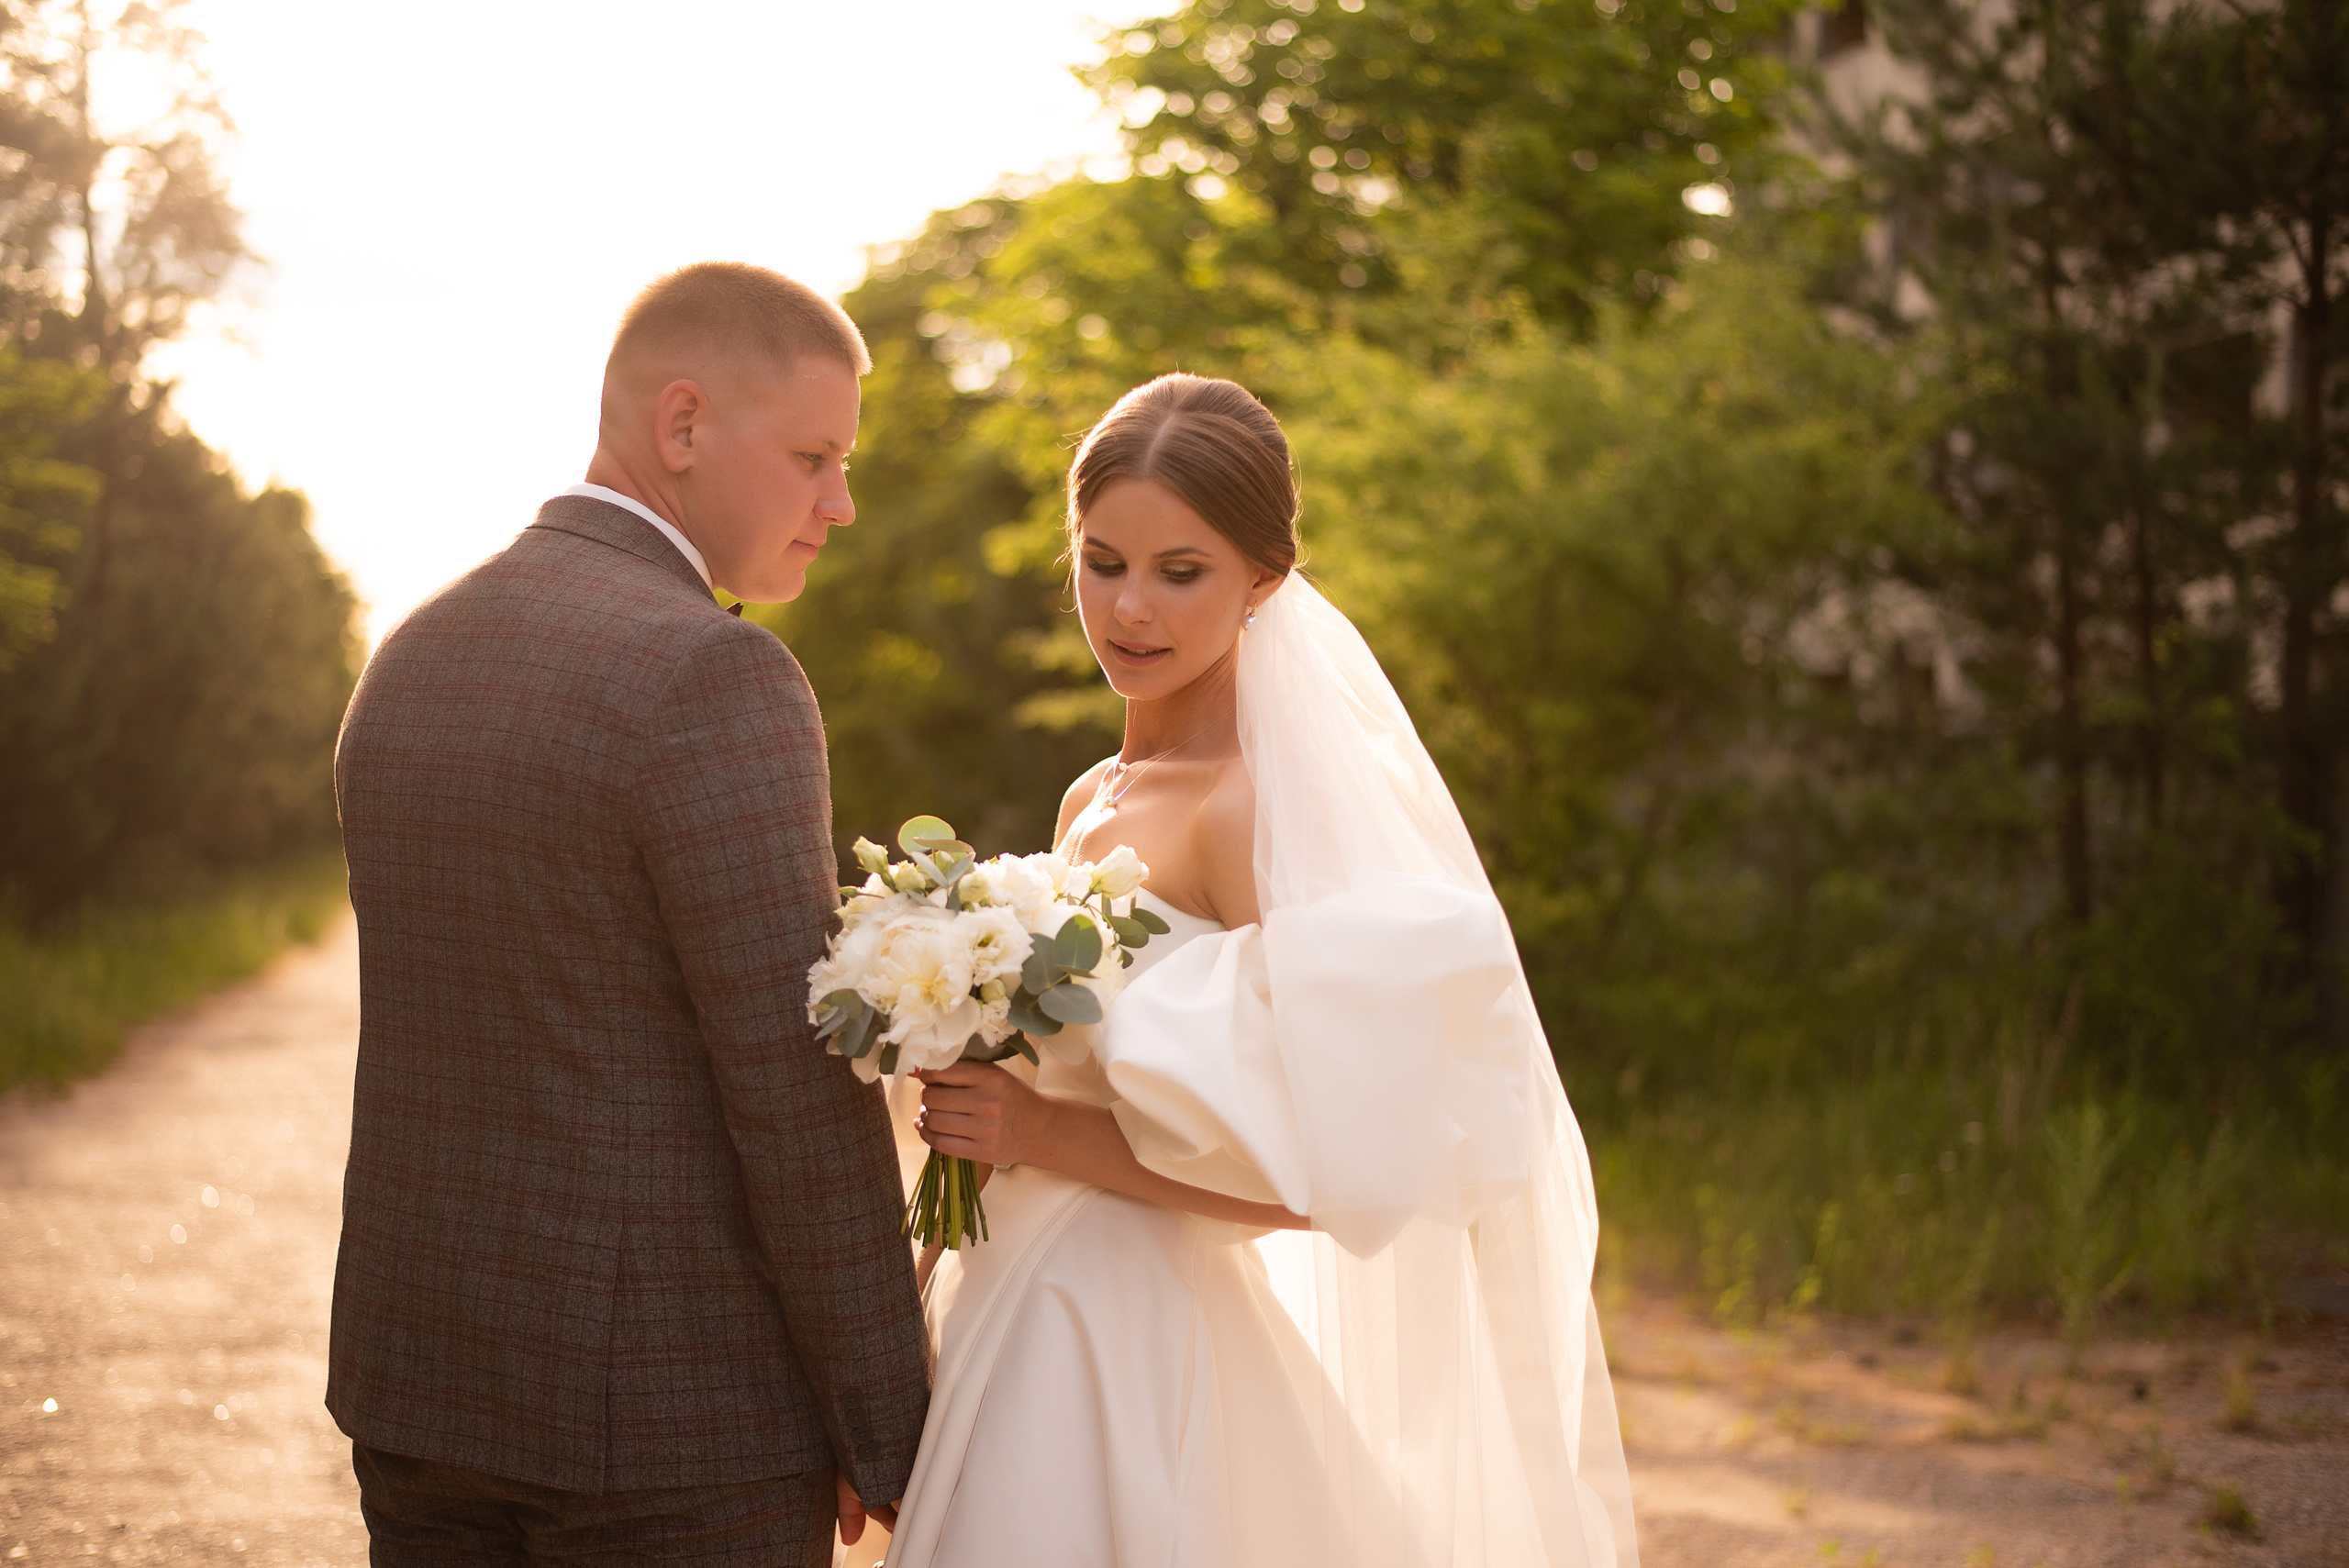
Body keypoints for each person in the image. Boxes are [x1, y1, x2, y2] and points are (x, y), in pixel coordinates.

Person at [897, 374, 1640, 1567]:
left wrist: (1041, 1130)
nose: (1129, 607)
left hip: (1123, 1325)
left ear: (1265, 578)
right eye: (1103, 560)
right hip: (1009, 1287)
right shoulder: (1095, 795)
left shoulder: (1250, 812)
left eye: (1180, 571)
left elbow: (1333, 1174)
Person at [329, 262, 929, 1565]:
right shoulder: (718, 672)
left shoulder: (410, 652)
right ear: (683, 426)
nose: (841, 502)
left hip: (419, 1390)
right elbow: (791, 1083)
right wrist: (897, 1425)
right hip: (675, 1438)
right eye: (815, 456)